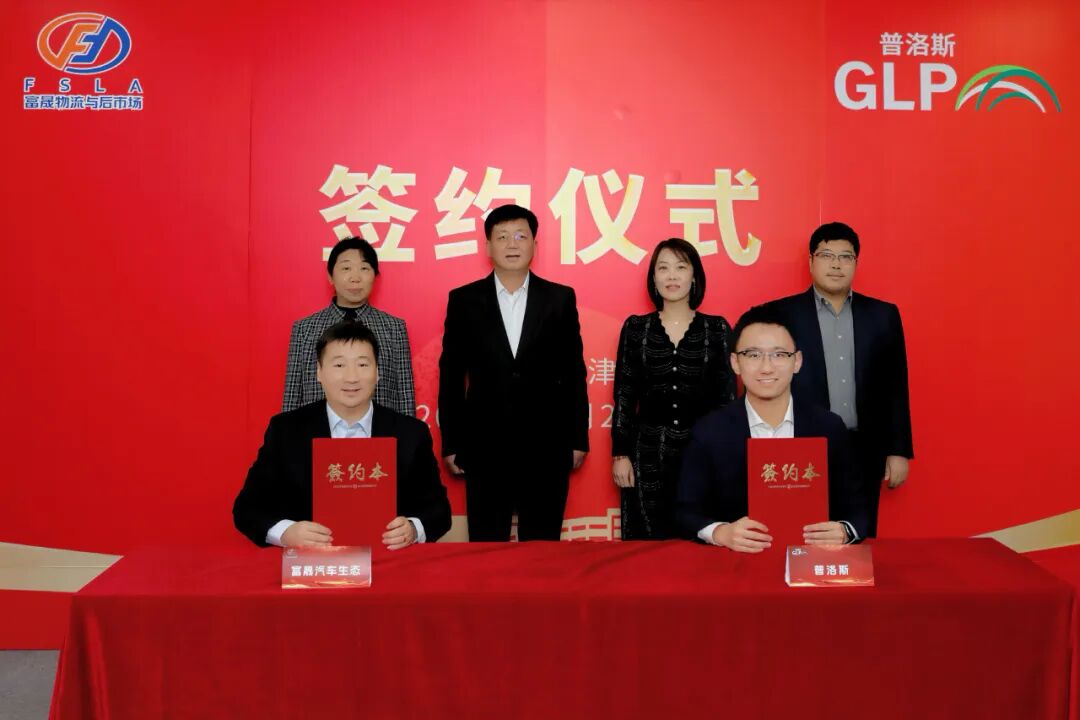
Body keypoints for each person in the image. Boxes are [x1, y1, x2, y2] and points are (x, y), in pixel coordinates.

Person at [438, 204, 589, 541]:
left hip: (547, 445)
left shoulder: (559, 299)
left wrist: (578, 438)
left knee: (542, 549)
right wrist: (452, 443)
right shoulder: (464, 300)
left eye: (521, 236)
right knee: (486, 549)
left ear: (535, 243)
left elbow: (574, 374)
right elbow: (451, 377)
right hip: (484, 447)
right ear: (488, 246)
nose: (511, 244)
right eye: (502, 237)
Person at [235, 321, 450, 549]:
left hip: (387, 561)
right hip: (313, 564)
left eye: (362, 364)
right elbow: (247, 508)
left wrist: (413, 529)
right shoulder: (286, 430)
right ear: (319, 372)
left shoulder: (410, 433)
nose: (351, 377)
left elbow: (439, 510)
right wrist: (286, 533)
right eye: (339, 365)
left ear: (377, 372)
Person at [763, 222, 912, 537]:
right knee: (800, 531)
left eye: (846, 257)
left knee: (859, 533)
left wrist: (898, 450)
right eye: (827, 255)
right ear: (811, 261)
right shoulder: (781, 314)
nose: (836, 264)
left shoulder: (883, 315)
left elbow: (896, 385)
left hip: (864, 445)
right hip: (801, 444)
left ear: (856, 262)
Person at [676, 305, 867, 551]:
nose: (766, 367)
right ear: (735, 362)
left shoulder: (828, 427)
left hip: (810, 561)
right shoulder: (709, 431)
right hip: (737, 562)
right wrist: (720, 532)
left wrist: (844, 530)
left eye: (779, 354)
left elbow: (858, 509)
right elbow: (685, 511)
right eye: (753, 355)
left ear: (797, 361)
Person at [611, 238, 735, 539]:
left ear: (694, 276)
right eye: (663, 268)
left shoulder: (717, 329)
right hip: (647, 455)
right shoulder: (636, 328)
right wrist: (620, 455)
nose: (672, 276)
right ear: (653, 278)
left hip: (704, 453)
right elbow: (624, 394)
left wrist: (726, 455)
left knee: (700, 541)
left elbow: (728, 399)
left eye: (681, 267)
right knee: (647, 546)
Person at [282, 236, 416, 416]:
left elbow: (405, 396)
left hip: (379, 431)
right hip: (317, 431)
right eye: (346, 268)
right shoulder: (304, 329)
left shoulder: (394, 329)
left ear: (375, 276)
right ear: (330, 276)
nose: (355, 278)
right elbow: (292, 396)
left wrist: (408, 433)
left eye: (364, 268)